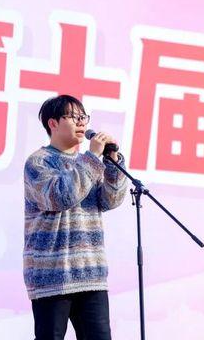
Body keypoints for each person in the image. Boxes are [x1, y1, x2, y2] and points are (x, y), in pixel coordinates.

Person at [23, 94, 127, 340]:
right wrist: (92, 159)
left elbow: (110, 200)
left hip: (91, 274)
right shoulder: (38, 162)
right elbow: (61, 197)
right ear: (53, 123)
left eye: (83, 117)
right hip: (52, 275)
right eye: (73, 117)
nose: (81, 122)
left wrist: (112, 164)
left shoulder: (88, 164)